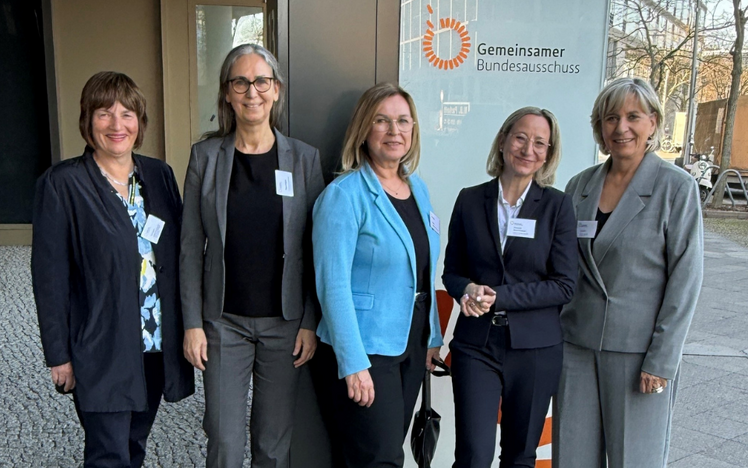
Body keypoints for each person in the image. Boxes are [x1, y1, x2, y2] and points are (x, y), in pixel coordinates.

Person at [32, 71, 194, 468]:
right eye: (104, 113)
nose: (116, 125)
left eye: (127, 114)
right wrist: (58, 355)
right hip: (101, 346)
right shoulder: (62, 184)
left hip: (154, 342)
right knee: (109, 454)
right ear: (87, 121)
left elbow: (178, 256)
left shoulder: (158, 175)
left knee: (135, 445)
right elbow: (49, 278)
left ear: (140, 121)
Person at [180, 43, 324, 468]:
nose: (252, 91)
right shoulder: (205, 158)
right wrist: (192, 323)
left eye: (261, 81)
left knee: (272, 444)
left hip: (286, 324)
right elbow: (190, 247)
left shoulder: (304, 159)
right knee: (223, 440)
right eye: (240, 82)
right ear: (227, 93)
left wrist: (310, 321)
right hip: (223, 322)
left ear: (276, 90)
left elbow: (317, 249)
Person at [553, 77, 704, 468]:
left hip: (639, 353)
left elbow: (685, 281)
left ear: (653, 122)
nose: (621, 127)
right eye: (611, 118)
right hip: (576, 346)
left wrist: (662, 360)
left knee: (634, 459)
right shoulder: (579, 186)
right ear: (599, 127)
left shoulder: (676, 188)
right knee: (571, 458)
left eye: (633, 116)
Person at [312, 82, 443, 468]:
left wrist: (432, 336)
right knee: (380, 459)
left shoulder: (417, 189)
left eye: (403, 121)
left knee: (376, 455)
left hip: (410, 343)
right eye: (382, 121)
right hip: (366, 349)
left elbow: (423, 270)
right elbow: (332, 284)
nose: (394, 130)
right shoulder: (344, 195)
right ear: (363, 129)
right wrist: (353, 362)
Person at [442, 107, 577, 468]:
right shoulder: (470, 199)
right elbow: (452, 272)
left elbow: (564, 285)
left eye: (540, 143)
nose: (528, 149)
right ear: (503, 140)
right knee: (473, 455)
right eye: (520, 137)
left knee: (520, 457)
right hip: (476, 345)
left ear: (548, 154)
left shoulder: (558, 206)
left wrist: (499, 296)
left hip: (535, 349)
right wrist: (468, 289)